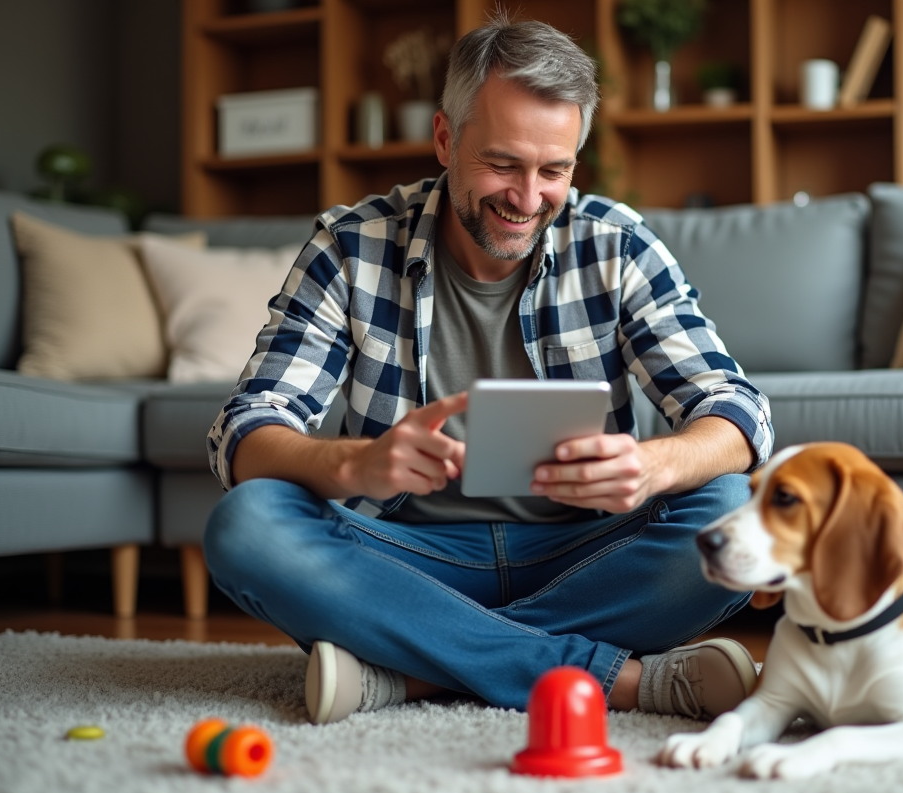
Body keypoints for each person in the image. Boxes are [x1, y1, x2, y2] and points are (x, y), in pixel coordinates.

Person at [203, 14, 773, 725]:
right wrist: (354, 465)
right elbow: (247, 429)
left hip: (581, 554)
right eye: (503, 163)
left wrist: (654, 465)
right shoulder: (351, 248)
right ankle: (611, 679)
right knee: (247, 525)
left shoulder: (617, 245)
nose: (527, 198)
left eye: (554, 170)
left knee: (725, 508)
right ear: (445, 138)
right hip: (407, 555)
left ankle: (414, 670)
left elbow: (736, 411)